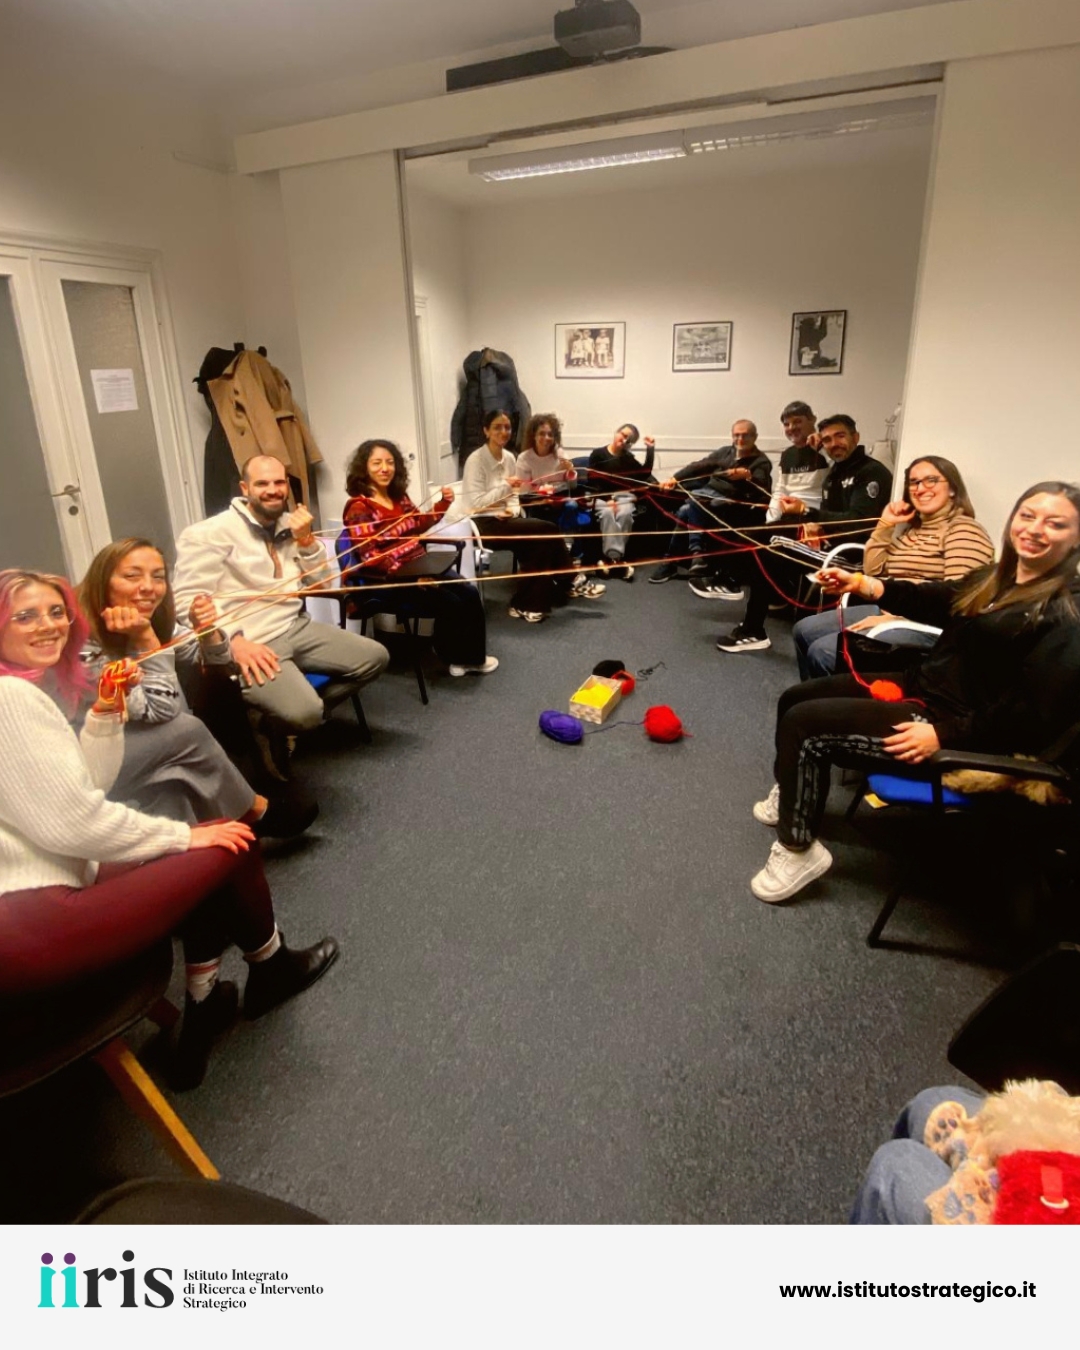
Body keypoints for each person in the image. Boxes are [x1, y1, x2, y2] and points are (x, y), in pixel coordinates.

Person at [0, 568, 339, 1090]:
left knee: (199, 835)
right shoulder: (12, 697)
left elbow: (86, 785)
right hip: (30, 923)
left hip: (39, 899)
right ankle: (268, 967)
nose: (48, 625)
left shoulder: (25, 689)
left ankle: (207, 998)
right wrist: (183, 838)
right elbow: (75, 821)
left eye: (55, 612)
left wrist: (105, 713)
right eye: (25, 616)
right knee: (225, 839)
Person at [750, 481, 1080, 903]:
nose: (1034, 529)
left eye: (1055, 523)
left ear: (1075, 539)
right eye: (1027, 515)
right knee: (796, 698)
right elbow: (938, 597)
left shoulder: (1069, 610)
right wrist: (863, 583)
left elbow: (1031, 715)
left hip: (958, 727)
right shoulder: (997, 577)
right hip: (925, 688)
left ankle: (798, 850)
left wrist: (944, 735)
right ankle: (794, 786)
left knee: (806, 727)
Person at [78, 538, 316, 833]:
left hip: (140, 738)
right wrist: (147, 641)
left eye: (158, 577)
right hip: (93, 756)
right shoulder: (84, 646)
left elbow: (215, 659)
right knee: (185, 729)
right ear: (103, 582)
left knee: (219, 695)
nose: (148, 587)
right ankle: (251, 810)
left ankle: (214, 830)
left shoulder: (154, 616)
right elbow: (161, 713)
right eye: (132, 576)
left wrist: (207, 631)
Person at [171, 454, 389, 734]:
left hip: (295, 627)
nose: (272, 490)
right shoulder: (208, 533)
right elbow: (185, 603)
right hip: (250, 641)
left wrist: (307, 541)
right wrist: (233, 642)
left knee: (376, 658)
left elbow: (323, 585)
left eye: (279, 482)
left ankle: (281, 719)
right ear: (245, 488)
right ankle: (281, 721)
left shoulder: (290, 524)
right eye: (262, 483)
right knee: (305, 713)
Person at [792, 457, 995, 678]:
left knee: (824, 652)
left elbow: (958, 602)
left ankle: (834, 698)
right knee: (804, 630)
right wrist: (886, 524)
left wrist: (898, 619)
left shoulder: (964, 530)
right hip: (893, 611)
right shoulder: (912, 530)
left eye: (931, 480)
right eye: (914, 482)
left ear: (953, 489)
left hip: (929, 627)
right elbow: (874, 571)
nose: (920, 489)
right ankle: (815, 695)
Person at [714, 412, 893, 654]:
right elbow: (832, 516)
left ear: (856, 437)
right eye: (827, 439)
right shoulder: (836, 471)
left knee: (769, 549)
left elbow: (857, 523)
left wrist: (808, 513)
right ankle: (748, 589)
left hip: (852, 554)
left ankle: (752, 627)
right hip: (828, 542)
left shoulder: (871, 473)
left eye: (840, 436)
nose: (833, 444)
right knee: (757, 534)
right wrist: (813, 524)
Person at [342, 439, 497, 677]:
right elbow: (371, 557)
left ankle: (472, 658)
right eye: (377, 463)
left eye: (390, 462)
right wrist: (412, 578)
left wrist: (444, 503)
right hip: (390, 581)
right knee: (451, 602)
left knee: (468, 592)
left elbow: (419, 524)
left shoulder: (398, 497)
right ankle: (453, 657)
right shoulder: (359, 508)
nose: (385, 468)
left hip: (417, 567)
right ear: (364, 468)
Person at [445, 409, 605, 623]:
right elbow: (475, 504)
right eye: (497, 427)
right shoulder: (476, 460)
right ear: (486, 431)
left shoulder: (509, 457)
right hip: (480, 523)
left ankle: (526, 605)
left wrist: (511, 510)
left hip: (504, 519)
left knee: (540, 544)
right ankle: (570, 579)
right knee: (547, 529)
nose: (504, 432)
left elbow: (515, 496)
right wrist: (505, 489)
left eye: (507, 427)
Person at [649, 419, 772, 593]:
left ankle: (682, 558)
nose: (740, 439)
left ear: (755, 437)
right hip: (708, 493)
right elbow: (698, 466)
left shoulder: (761, 461)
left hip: (732, 501)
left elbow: (764, 488)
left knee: (692, 504)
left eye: (745, 435)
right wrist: (674, 479)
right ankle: (691, 558)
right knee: (687, 508)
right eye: (736, 435)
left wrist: (748, 477)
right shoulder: (724, 452)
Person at [588, 423, 656, 581]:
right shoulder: (598, 454)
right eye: (623, 435)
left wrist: (650, 449)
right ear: (616, 432)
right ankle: (617, 561)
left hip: (623, 497)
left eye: (629, 440)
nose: (624, 440)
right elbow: (592, 481)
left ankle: (609, 561)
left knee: (625, 514)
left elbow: (644, 473)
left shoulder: (628, 459)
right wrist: (608, 499)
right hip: (601, 496)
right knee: (607, 514)